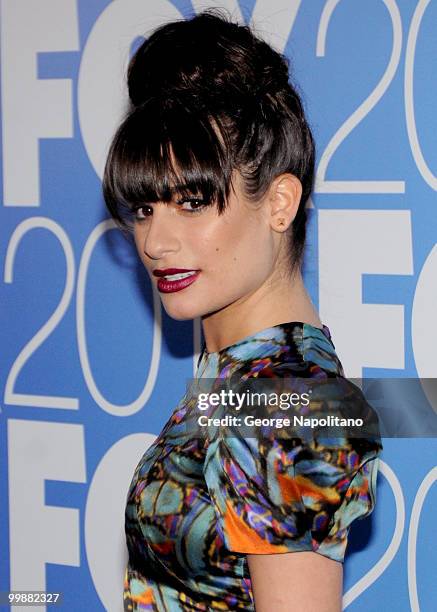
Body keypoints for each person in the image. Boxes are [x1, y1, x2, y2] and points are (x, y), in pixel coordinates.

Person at [102, 8, 383, 611]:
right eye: (145, 208)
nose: (155, 241)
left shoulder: (287, 402)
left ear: (279, 203)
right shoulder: (245, 380)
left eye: (193, 201)